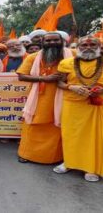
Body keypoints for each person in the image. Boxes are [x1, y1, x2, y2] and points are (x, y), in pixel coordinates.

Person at [17, 32, 73, 164]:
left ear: (62, 41)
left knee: (57, 126)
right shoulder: (33, 57)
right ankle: (27, 154)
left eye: (55, 40)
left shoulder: (72, 55)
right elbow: (21, 76)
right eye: (48, 41)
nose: (52, 43)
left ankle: (55, 157)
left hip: (64, 97)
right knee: (33, 126)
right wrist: (43, 78)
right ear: (43, 42)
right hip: (38, 99)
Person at [54, 36, 103, 182]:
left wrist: (100, 90)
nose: (88, 47)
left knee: (94, 137)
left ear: (99, 47)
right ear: (78, 47)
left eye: (92, 44)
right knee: (70, 135)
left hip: (96, 105)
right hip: (72, 104)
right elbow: (59, 83)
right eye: (84, 44)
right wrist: (72, 87)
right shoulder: (66, 63)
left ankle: (91, 167)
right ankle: (69, 162)